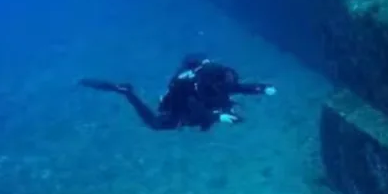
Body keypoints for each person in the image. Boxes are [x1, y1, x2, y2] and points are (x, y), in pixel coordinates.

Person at [79, 54, 277, 131]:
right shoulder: (193, 85)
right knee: (156, 124)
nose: (229, 85)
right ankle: (126, 92)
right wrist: (217, 117)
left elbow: (240, 88)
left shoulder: (220, 79)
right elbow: (196, 109)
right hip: (181, 106)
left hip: (203, 106)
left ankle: (217, 114)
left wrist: (262, 88)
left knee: (221, 107)